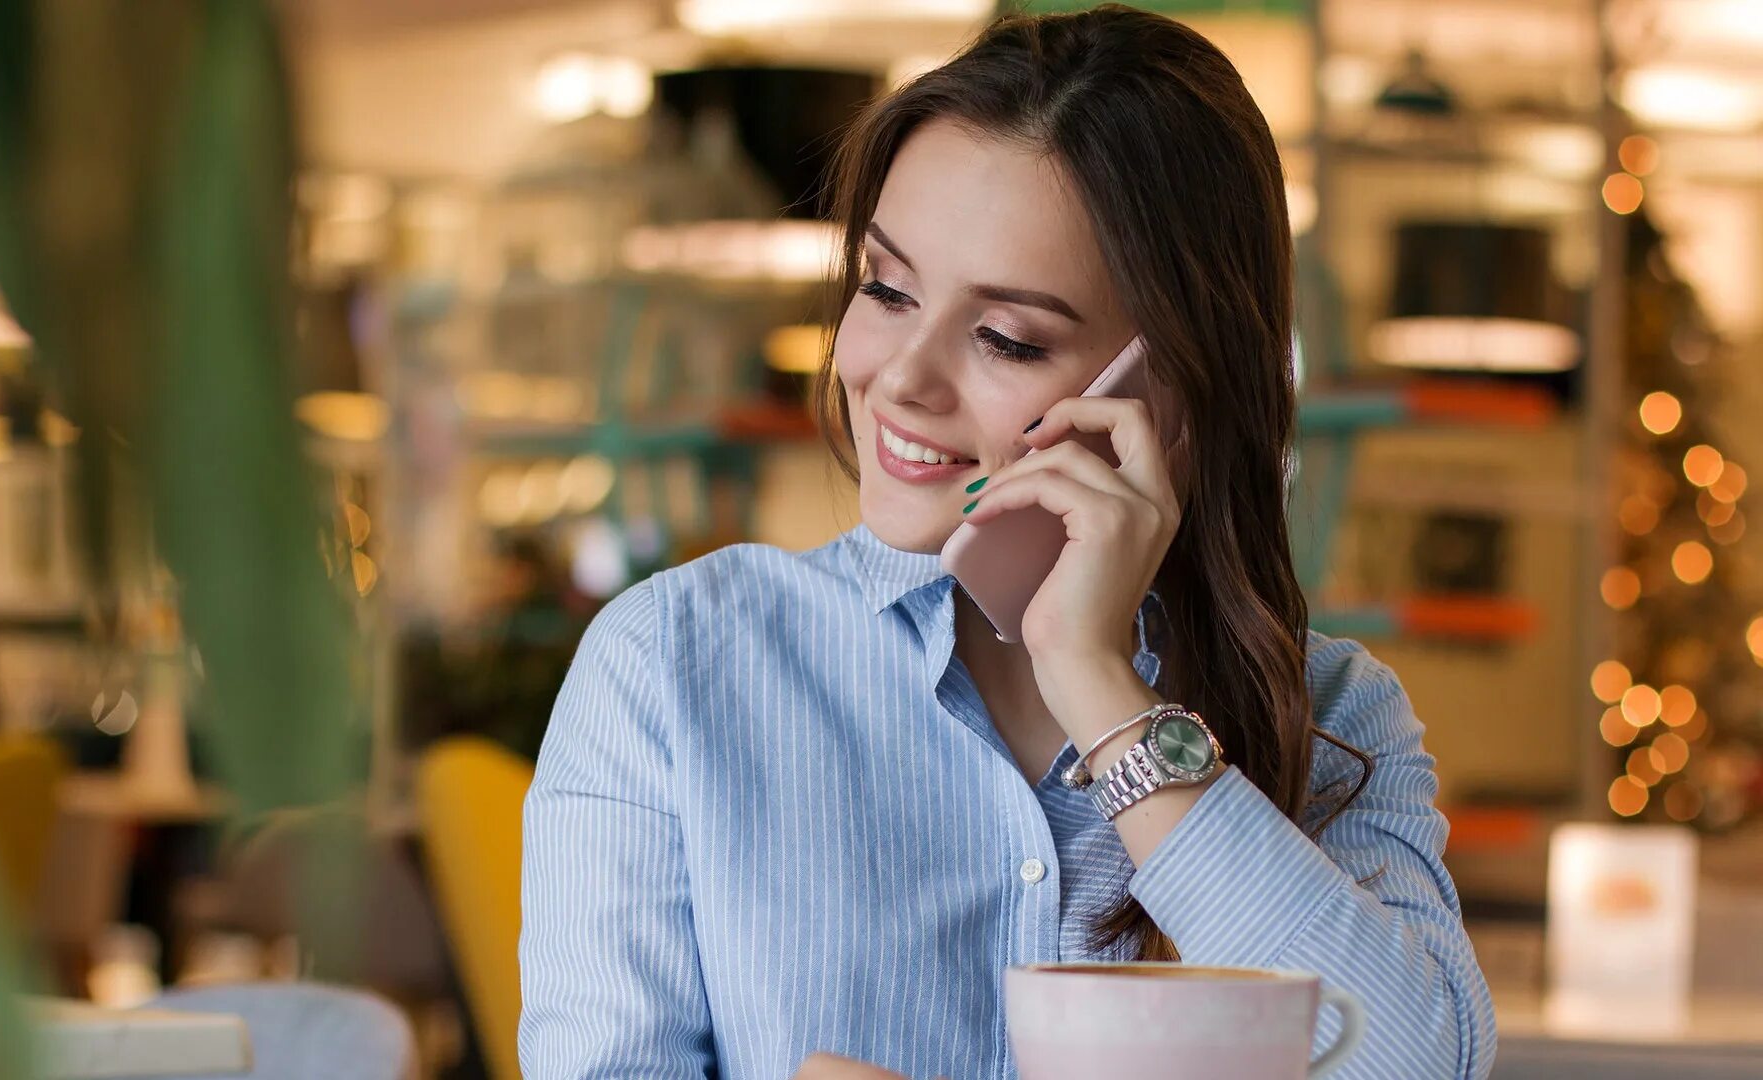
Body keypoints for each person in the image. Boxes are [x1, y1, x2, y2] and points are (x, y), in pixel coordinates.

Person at [520, 6, 1496, 1078]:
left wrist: (1100, 686)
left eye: (1006, 339)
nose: (901, 377)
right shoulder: (673, 666)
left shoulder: (1335, 716)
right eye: (887, 289)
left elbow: (1413, 1067)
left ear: (1165, 394)